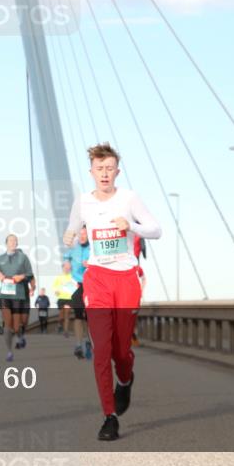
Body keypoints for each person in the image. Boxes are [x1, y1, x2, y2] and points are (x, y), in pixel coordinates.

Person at [63, 143, 162, 442]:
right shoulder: (82, 202)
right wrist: (68, 236)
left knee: (121, 351)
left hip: (126, 280)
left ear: (117, 171)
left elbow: (156, 229)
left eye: (109, 169)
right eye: (99, 169)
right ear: (91, 172)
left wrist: (130, 224)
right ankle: (109, 416)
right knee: (102, 350)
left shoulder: (129, 198)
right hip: (98, 280)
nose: (104, 174)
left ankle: (126, 379)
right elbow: (71, 227)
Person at [0, 234, 35, 362]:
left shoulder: (23, 258)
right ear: (6, 243)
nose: (13, 242)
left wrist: (22, 277)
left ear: (17, 244)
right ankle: (9, 351)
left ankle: (20, 335)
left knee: (17, 325)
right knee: (7, 323)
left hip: (19, 294)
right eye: (10, 240)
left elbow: (29, 274)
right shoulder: (0, 258)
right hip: (4, 295)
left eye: (15, 241)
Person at [65, 233, 91, 359]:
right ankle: (79, 344)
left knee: (89, 317)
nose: (82, 236)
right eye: (80, 234)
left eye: (85, 234)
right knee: (78, 316)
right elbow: (66, 257)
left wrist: (91, 263)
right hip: (79, 285)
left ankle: (89, 341)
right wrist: (66, 263)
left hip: (92, 284)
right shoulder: (73, 248)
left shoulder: (94, 247)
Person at [52, 260, 76, 337]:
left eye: (69, 268)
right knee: (61, 315)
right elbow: (54, 286)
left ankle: (66, 331)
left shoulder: (73, 277)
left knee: (67, 314)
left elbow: (76, 286)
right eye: (66, 267)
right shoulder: (59, 277)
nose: (67, 269)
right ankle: (59, 324)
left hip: (69, 298)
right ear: (63, 268)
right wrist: (56, 291)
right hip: (61, 298)